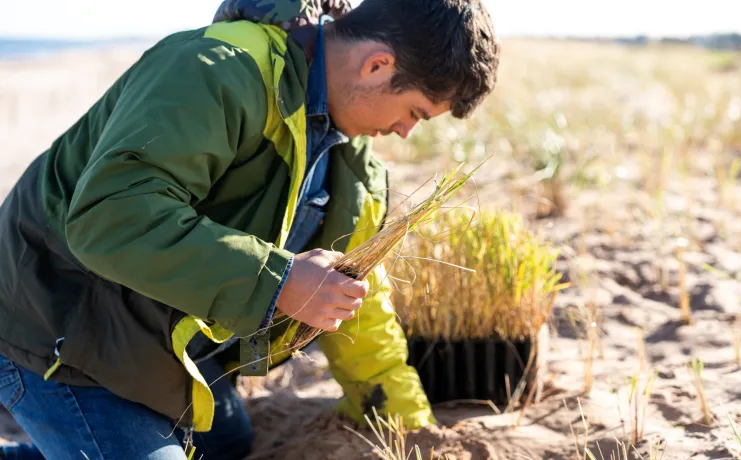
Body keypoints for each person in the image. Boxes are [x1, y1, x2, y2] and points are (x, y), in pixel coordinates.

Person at [0, 0, 500, 458]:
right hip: (54, 320)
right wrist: (278, 282)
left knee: (228, 442)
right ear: (377, 66)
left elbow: (359, 306)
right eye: (414, 112)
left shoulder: (354, 165)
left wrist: (407, 424)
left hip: (153, 335)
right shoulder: (215, 69)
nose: (406, 132)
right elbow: (108, 216)